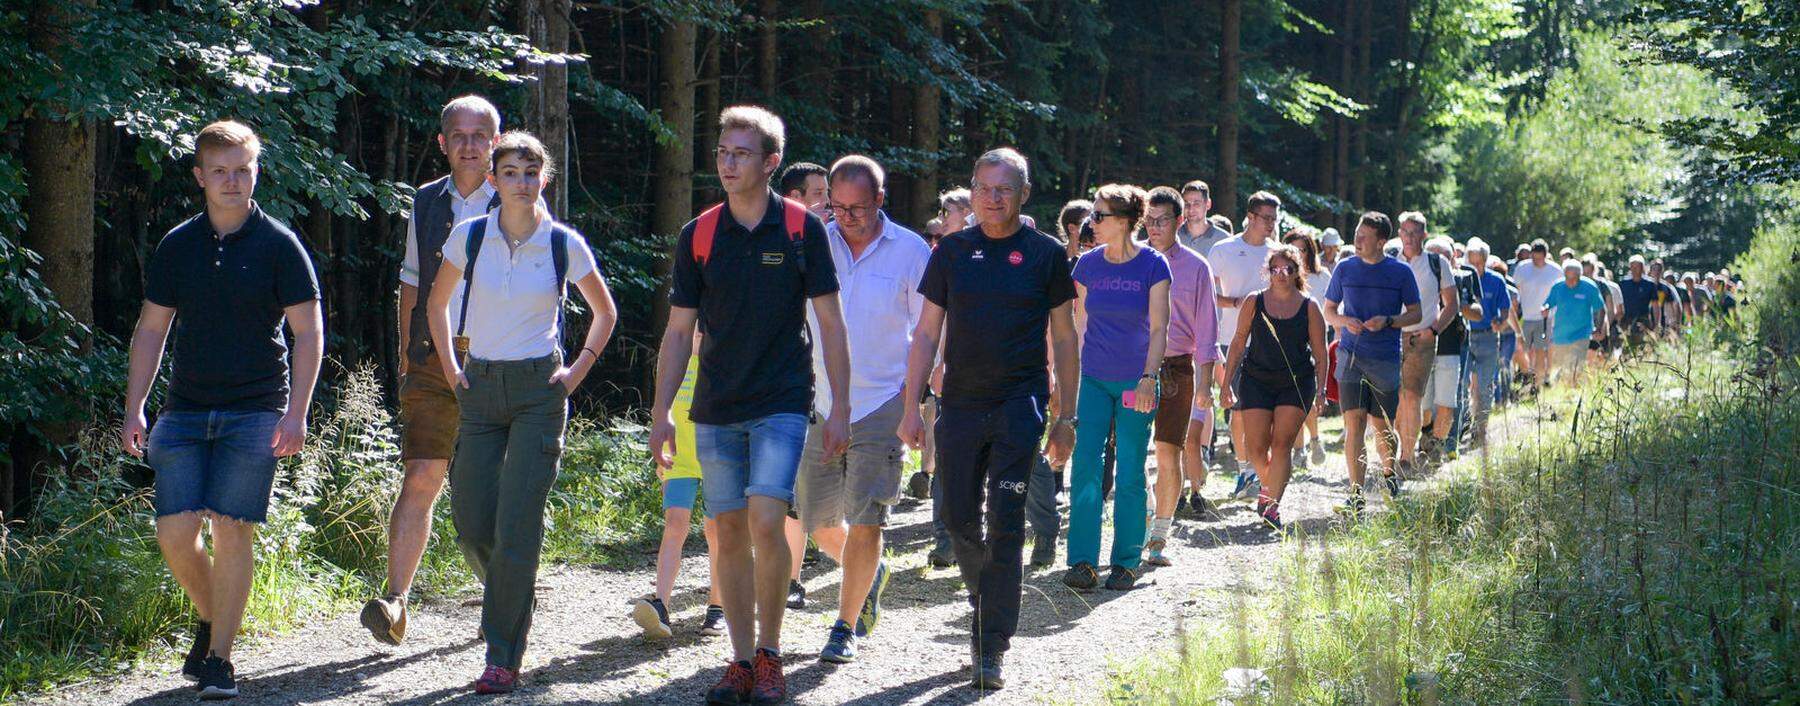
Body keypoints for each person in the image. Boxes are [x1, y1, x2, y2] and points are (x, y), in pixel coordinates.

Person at [650, 106, 852, 705]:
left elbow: (832, 325)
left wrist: (840, 407)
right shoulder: (700, 234)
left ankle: (770, 654)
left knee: (767, 519)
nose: (727, 162)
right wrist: (661, 411)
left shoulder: (800, 229)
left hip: (783, 400)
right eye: (722, 152)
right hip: (714, 406)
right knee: (726, 529)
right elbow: (680, 332)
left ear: (770, 163)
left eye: (741, 153)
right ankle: (739, 661)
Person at [120, 120, 323, 700]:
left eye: (243, 169)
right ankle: (214, 620)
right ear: (200, 177)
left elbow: (308, 333)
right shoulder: (177, 246)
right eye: (220, 171)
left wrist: (296, 413)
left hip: (257, 408)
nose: (233, 181)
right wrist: (136, 407)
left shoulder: (280, 245)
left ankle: (220, 662)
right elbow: (152, 329)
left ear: (256, 171)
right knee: (175, 534)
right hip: (184, 411)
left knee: (233, 527)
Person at [424, 131, 617, 693]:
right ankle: (513, 591)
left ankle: (502, 653)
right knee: (471, 525)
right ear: (493, 180)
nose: (521, 182)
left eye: (531, 172)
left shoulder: (563, 243)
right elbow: (436, 304)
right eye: (510, 172)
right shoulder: (470, 237)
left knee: (517, 526)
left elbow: (604, 313)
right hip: (479, 387)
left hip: (539, 390)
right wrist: (451, 370)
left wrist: (576, 371)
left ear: (544, 179)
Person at [898, 148, 1078, 690]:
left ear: (1024, 194)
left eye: (1004, 189)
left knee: (1004, 520)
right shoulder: (952, 251)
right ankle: (987, 600)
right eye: (983, 187)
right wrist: (912, 404)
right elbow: (927, 332)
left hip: (1018, 406)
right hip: (959, 405)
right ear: (971, 191)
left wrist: (1065, 415)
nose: (992, 198)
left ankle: (990, 642)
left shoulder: (1045, 254)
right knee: (957, 519)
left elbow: (1065, 337)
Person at [366, 95, 503, 648]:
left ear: (495, 142)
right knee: (421, 476)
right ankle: (395, 603)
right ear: (443, 143)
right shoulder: (423, 202)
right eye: (459, 135)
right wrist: (407, 354)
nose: (469, 145)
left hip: (499, 359)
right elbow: (412, 281)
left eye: (480, 135)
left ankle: (505, 595)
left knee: (486, 490)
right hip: (429, 358)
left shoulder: (520, 196)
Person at [798, 155, 931, 663]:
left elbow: (927, 331)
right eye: (837, 206)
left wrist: (915, 401)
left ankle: (844, 625)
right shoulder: (814, 240)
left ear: (880, 199)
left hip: (882, 400)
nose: (846, 217)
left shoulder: (912, 251)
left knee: (868, 517)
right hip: (819, 397)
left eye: (857, 207)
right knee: (814, 516)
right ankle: (871, 571)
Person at [1061, 184, 1170, 592]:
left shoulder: (1153, 265)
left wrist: (1148, 378)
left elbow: (1159, 328)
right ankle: (1083, 562)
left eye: (1099, 216)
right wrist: (1067, 381)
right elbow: (1079, 325)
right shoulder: (1087, 265)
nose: (1092, 222)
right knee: (1086, 468)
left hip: (1135, 382)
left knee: (1129, 471)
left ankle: (1125, 561)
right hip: (1092, 380)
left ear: (1124, 221)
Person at [1219, 244, 1328, 530]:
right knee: (1256, 449)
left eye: (1287, 269)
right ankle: (1270, 487)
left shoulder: (1309, 306)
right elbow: (1239, 342)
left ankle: (1271, 505)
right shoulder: (1254, 301)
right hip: (1256, 379)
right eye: (1275, 269)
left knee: (1282, 445)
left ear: (1297, 272)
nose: (1280, 274)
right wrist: (1226, 383)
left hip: (1296, 382)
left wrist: (1320, 391)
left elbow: (1320, 352)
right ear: (1267, 272)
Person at [1322, 212, 1422, 516]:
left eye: (1365, 236)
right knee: (1354, 425)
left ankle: (1389, 474)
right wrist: (1343, 321)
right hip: (1350, 355)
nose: (1357, 240)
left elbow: (1415, 314)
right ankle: (1356, 494)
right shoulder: (1344, 268)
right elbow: (1328, 311)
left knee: (1381, 426)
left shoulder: (1400, 273)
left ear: (1381, 241)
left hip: (1385, 359)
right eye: (1356, 233)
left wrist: (1389, 321)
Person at [1142, 186, 1219, 566]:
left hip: (1177, 369)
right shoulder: (1131, 260)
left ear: (1180, 220)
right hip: (1131, 367)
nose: (1154, 228)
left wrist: (1205, 383)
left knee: (1169, 451)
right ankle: (1144, 510)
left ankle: (1159, 536)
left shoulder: (1195, 266)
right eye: (1149, 220)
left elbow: (1207, 331)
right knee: (1130, 452)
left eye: (1162, 220)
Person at [632, 333, 726, 640]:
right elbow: (662, 410)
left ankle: (717, 607)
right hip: (678, 458)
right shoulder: (674, 358)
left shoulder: (725, 355)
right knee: (674, 524)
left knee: (716, 530)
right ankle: (661, 605)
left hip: (716, 457)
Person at [777, 161, 831, 605]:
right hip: (790, 386)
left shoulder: (834, 243)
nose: (828, 204)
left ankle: (864, 563)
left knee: (811, 499)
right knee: (790, 493)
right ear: (794, 198)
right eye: (818, 194)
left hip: (835, 389)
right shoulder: (777, 243)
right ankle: (790, 579)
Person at [1211, 191, 1281, 500]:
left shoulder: (1279, 254)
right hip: (1232, 340)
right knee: (1238, 410)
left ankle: (1263, 471)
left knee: (1266, 412)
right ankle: (1246, 471)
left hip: (1272, 344)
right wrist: (1237, 302)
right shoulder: (1223, 249)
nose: (1270, 224)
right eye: (1266, 218)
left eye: (1274, 219)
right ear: (1250, 217)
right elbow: (1207, 295)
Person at [1393, 212, 1457, 476]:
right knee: (1396, 399)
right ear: (1399, 233)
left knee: (1412, 397)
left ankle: (1406, 457)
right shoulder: (1390, 260)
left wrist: (1434, 330)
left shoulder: (1437, 263)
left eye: (1414, 232)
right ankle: (1397, 448)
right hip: (1391, 337)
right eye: (1405, 231)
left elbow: (1451, 304)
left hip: (1422, 339)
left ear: (1424, 235)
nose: (1409, 237)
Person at [1420, 236, 1482, 462]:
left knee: (1452, 396)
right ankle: (1426, 434)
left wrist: (1454, 302)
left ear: (1453, 258)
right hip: (1422, 345)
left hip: (1454, 344)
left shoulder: (1466, 276)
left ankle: (1446, 445)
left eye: (1444, 257)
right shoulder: (1417, 275)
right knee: (1423, 398)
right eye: (1434, 257)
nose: (1439, 263)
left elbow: (1478, 312)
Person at [1283, 227, 1331, 469]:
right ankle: (1300, 448)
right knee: (1292, 400)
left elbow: (1331, 311)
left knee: (1306, 397)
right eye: (1293, 250)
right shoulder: (1281, 276)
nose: (1298, 254)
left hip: (1312, 345)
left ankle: (1313, 440)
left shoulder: (1322, 278)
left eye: (1302, 250)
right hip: (1285, 345)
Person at [1461, 239, 1510, 448]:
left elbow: (1505, 307)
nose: (1476, 267)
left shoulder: (1496, 280)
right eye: (1472, 263)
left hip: (1488, 337)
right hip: (1464, 337)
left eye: (1480, 263)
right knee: (1461, 385)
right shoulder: (1462, 278)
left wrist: (1501, 322)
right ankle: (1459, 428)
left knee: (1484, 386)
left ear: (1486, 261)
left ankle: (1480, 429)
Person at [1541, 259, 1608, 385]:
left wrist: (1598, 327)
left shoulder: (1589, 287)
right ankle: (1567, 390)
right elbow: (1548, 302)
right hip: (1561, 335)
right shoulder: (1558, 286)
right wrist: (1545, 308)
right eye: (1567, 278)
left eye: (1574, 279)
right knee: (1564, 366)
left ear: (1579, 276)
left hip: (1582, 333)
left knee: (1576, 364)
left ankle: (1573, 390)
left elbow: (1601, 308)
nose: (1570, 282)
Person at [1513, 240, 1562, 391]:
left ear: (1546, 256)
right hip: (1525, 317)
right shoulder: (1523, 268)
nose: (1536, 262)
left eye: (1540, 259)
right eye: (1534, 258)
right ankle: (1527, 377)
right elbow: (1516, 290)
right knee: (1523, 350)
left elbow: (1560, 294)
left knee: (1541, 351)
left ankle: (1538, 384)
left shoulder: (1555, 270)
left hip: (1545, 318)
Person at [1177, 180, 1231, 257]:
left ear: (1208, 204)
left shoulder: (1224, 240)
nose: (1191, 209)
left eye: (1196, 204)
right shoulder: (1172, 236)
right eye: (1186, 204)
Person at [1618, 255, 1660, 349]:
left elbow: (1655, 305)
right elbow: (1618, 303)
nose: (1634, 269)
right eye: (1632, 266)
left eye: (1637, 267)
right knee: (1626, 347)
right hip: (1626, 320)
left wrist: (1656, 323)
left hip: (1642, 320)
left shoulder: (1650, 284)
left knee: (1642, 346)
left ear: (1642, 268)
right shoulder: (1623, 283)